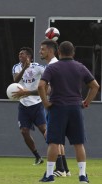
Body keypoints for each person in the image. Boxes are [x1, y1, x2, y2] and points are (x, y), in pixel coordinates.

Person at [38, 41, 99, 183]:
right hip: (75, 108)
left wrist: (46, 103)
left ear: (59, 52)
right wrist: (86, 102)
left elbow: (41, 85)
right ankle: (83, 176)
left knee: (53, 142)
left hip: (57, 108)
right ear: (73, 53)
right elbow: (95, 86)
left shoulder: (53, 68)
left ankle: (50, 175)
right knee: (78, 143)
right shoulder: (80, 67)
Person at [39, 39, 71, 177]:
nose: (40, 51)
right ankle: (65, 169)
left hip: (55, 106)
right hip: (60, 105)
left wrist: (44, 100)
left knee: (52, 137)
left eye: (43, 49)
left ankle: (60, 170)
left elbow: (47, 88)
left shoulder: (53, 66)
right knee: (57, 139)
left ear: (51, 51)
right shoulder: (54, 64)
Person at [11, 47, 46, 165]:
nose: (20, 55)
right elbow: (15, 81)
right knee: (24, 131)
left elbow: (48, 81)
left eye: (22, 54)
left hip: (37, 104)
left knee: (44, 130)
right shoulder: (16, 67)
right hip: (23, 105)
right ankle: (37, 157)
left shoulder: (38, 67)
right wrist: (24, 68)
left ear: (29, 57)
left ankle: (57, 155)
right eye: (19, 54)